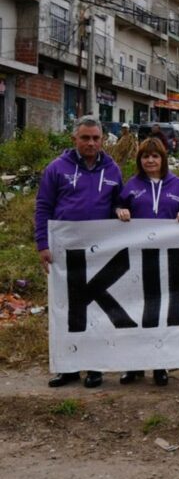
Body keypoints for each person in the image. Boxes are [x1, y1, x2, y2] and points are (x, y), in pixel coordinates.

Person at [37, 116, 122, 389]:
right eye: (85, 138)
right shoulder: (56, 169)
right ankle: (67, 367)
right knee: (66, 311)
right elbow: (43, 207)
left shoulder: (112, 170)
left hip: (99, 252)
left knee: (96, 311)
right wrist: (42, 244)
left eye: (96, 138)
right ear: (75, 139)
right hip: (65, 252)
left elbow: (118, 205)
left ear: (102, 140)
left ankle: (94, 367)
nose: (91, 143)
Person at [114, 137, 179, 386]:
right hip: (137, 261)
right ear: (140, 160)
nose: (150, 160)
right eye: (145, 156)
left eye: (155, 156)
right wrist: (119, 211)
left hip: (167, 260)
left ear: (163, 159)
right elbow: (116, 207)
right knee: (134, 312)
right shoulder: (131, 185)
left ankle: (160, 365)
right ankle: (132, 365)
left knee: (160, 314)